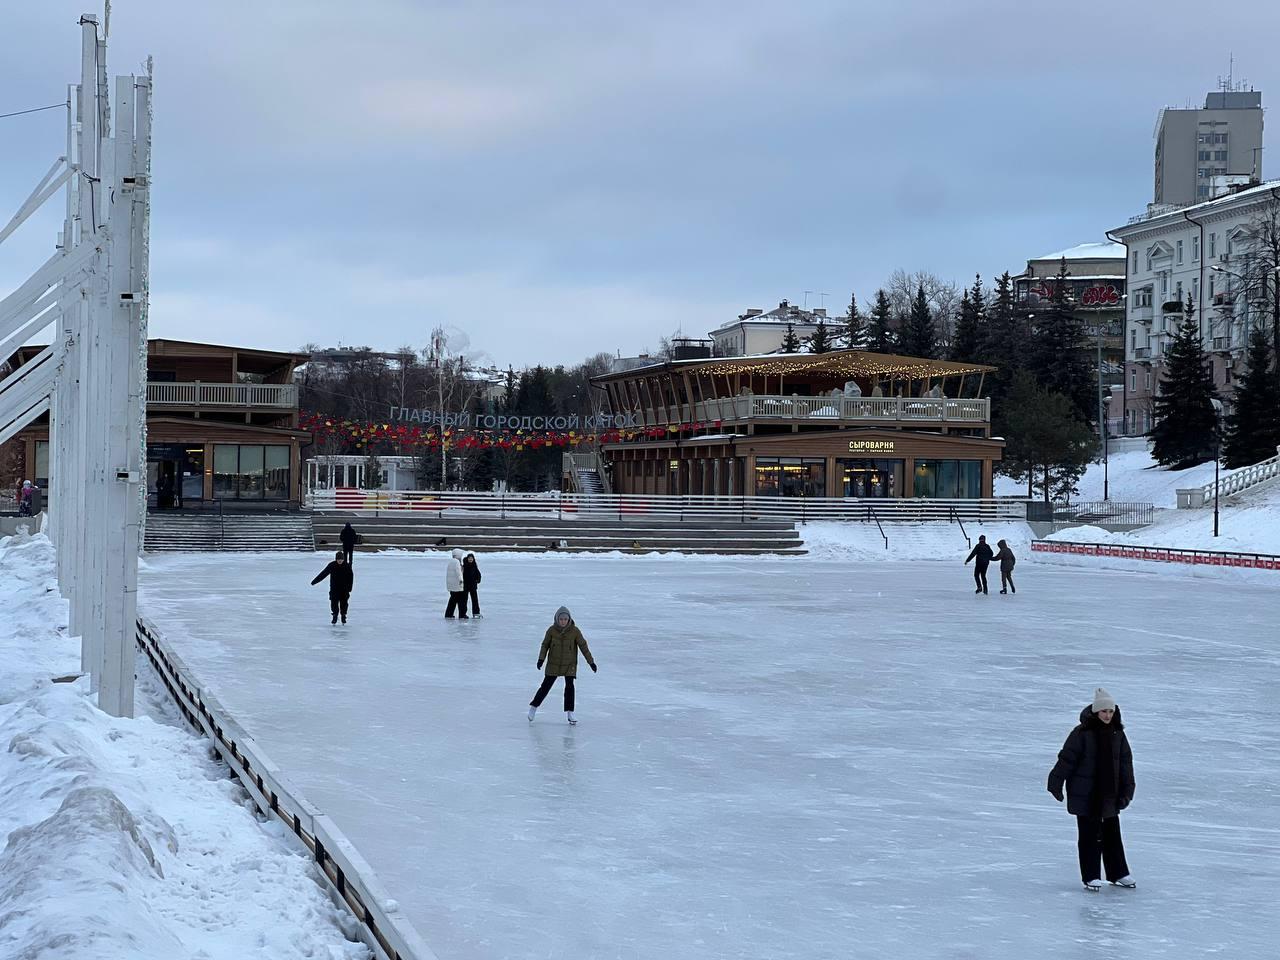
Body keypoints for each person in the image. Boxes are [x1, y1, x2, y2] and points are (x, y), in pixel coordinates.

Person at [1047, 688, 1136, 892]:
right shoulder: (1081, 733)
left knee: (1112, 833)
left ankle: (1118, 872)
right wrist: (1056, 781)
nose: (1107, 715)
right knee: (1089, 835)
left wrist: (1127, 791)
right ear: (1096, 712)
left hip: (1109, 793)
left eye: (1111, 711)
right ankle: (1091, 875)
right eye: (1104, 711)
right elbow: (1067, 759)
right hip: (1086, 792)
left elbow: (1125, 765)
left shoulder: (1118, 734)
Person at [528, 606, 597, 725]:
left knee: (570, 687)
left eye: (565, 619)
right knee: (545, 686)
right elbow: (545, 645)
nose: (563, 621)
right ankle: (534, 707)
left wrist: (591, 662)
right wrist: (541, 659)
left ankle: (570, 713)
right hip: (553, 663)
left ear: (569, 619)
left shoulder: (575, 631)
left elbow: (583, 647)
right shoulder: (551, 631)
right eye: (561, 619)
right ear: (557, 619)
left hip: (569, 664)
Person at [310, 551, 354, 624]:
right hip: (334, 588)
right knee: (334, 603)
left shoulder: (347, 566)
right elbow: (324, 573)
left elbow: (351, 577)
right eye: (338, 559)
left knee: (344, 603)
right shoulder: (332, 565)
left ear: (343, 559)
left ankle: (343, 615)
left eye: (341, 559)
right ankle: (335, 615)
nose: (340, 561)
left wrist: (349, 588)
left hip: (344, 589)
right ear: (336, 559)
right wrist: (315, 581)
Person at [445, 548, 468, 618]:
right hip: (457, 585)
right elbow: (459, 573)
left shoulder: (451, 562)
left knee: (452, 600)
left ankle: (449, 614)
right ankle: (462, 614)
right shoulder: (457, 562)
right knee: (461, 601)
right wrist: (461, 581)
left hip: (451, 585)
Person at [462, 551, 483, 618]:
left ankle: (476, 613)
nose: (470, 559)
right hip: (465, 586)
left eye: (471, 558)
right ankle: (463, 613)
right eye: (469, 558)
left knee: (475, 600)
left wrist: (478, 580)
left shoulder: (474, 566)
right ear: (467, 559)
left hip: (473, 586)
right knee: (464, 600)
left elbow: (478, 574)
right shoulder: (464, 566)